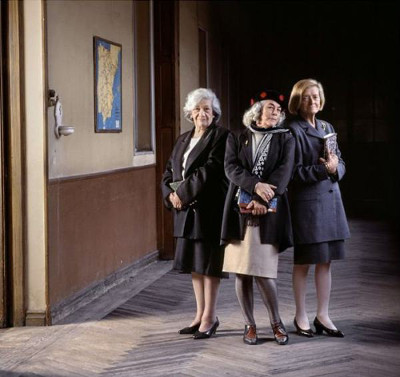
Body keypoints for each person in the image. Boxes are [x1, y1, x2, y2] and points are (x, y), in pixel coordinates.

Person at [221, 90, 295, 345]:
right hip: (239, 212)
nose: (277, 112)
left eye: (279, 109)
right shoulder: (238, 137)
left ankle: (276, 322)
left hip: (269, 211)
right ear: (258, 112)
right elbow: (231, 168)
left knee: (264, 272)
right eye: (271, 107)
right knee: (242, 272)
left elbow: (284, 172)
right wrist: (254, 187)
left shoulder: (287, 138)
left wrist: (263, 198)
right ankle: (249, 324)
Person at [161, 88, 230, 339]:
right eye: (198, 109)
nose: (202, 113)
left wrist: (183, 194)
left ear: (215, 114)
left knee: (210, 264)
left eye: (207, 109)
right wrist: (169, 194)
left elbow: (210, 170)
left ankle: (211, 317)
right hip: (185, 212)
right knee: (195, 265)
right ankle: (200, 314)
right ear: (190, 113)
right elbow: (169, 170)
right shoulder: (182, 139)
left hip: (208, 210)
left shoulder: (222, 137)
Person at [286, 78, 350, 338]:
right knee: (304, 262)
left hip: (332, 201)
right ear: (297, 102)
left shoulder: (327, 126)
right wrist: (323, 169)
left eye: (316, 96)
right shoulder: (292, 130)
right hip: (307, 205)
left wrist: (336, 169)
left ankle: (323, 315)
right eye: (306, 97)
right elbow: (291, 173)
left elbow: (340, 161)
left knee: (326, 261)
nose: (313, 101)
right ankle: (300, 315)